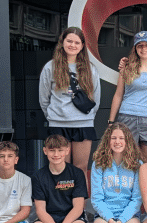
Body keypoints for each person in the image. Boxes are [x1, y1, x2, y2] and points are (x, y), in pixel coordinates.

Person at [38, 26, 101, 190]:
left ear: (82, 46)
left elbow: (96, 98)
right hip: (58, 124)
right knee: (60, 170)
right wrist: (54, 116)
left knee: (80, 169)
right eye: (69, 41)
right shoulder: (50, 67)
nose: (73, 45)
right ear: (62, 42)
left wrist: (87, 118)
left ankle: (81, 209)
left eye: (77, 42)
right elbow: (44, 98)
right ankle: (61, 208)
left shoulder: (90, 68)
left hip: (82, 125)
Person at [110, 30, 147, 163]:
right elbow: (118, 95)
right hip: (127, 116)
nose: (144, 48)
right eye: (140, 46)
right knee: (125, 160)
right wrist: (111, 121)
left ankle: (145, 185)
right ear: (135, 49)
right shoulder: (127, 67)